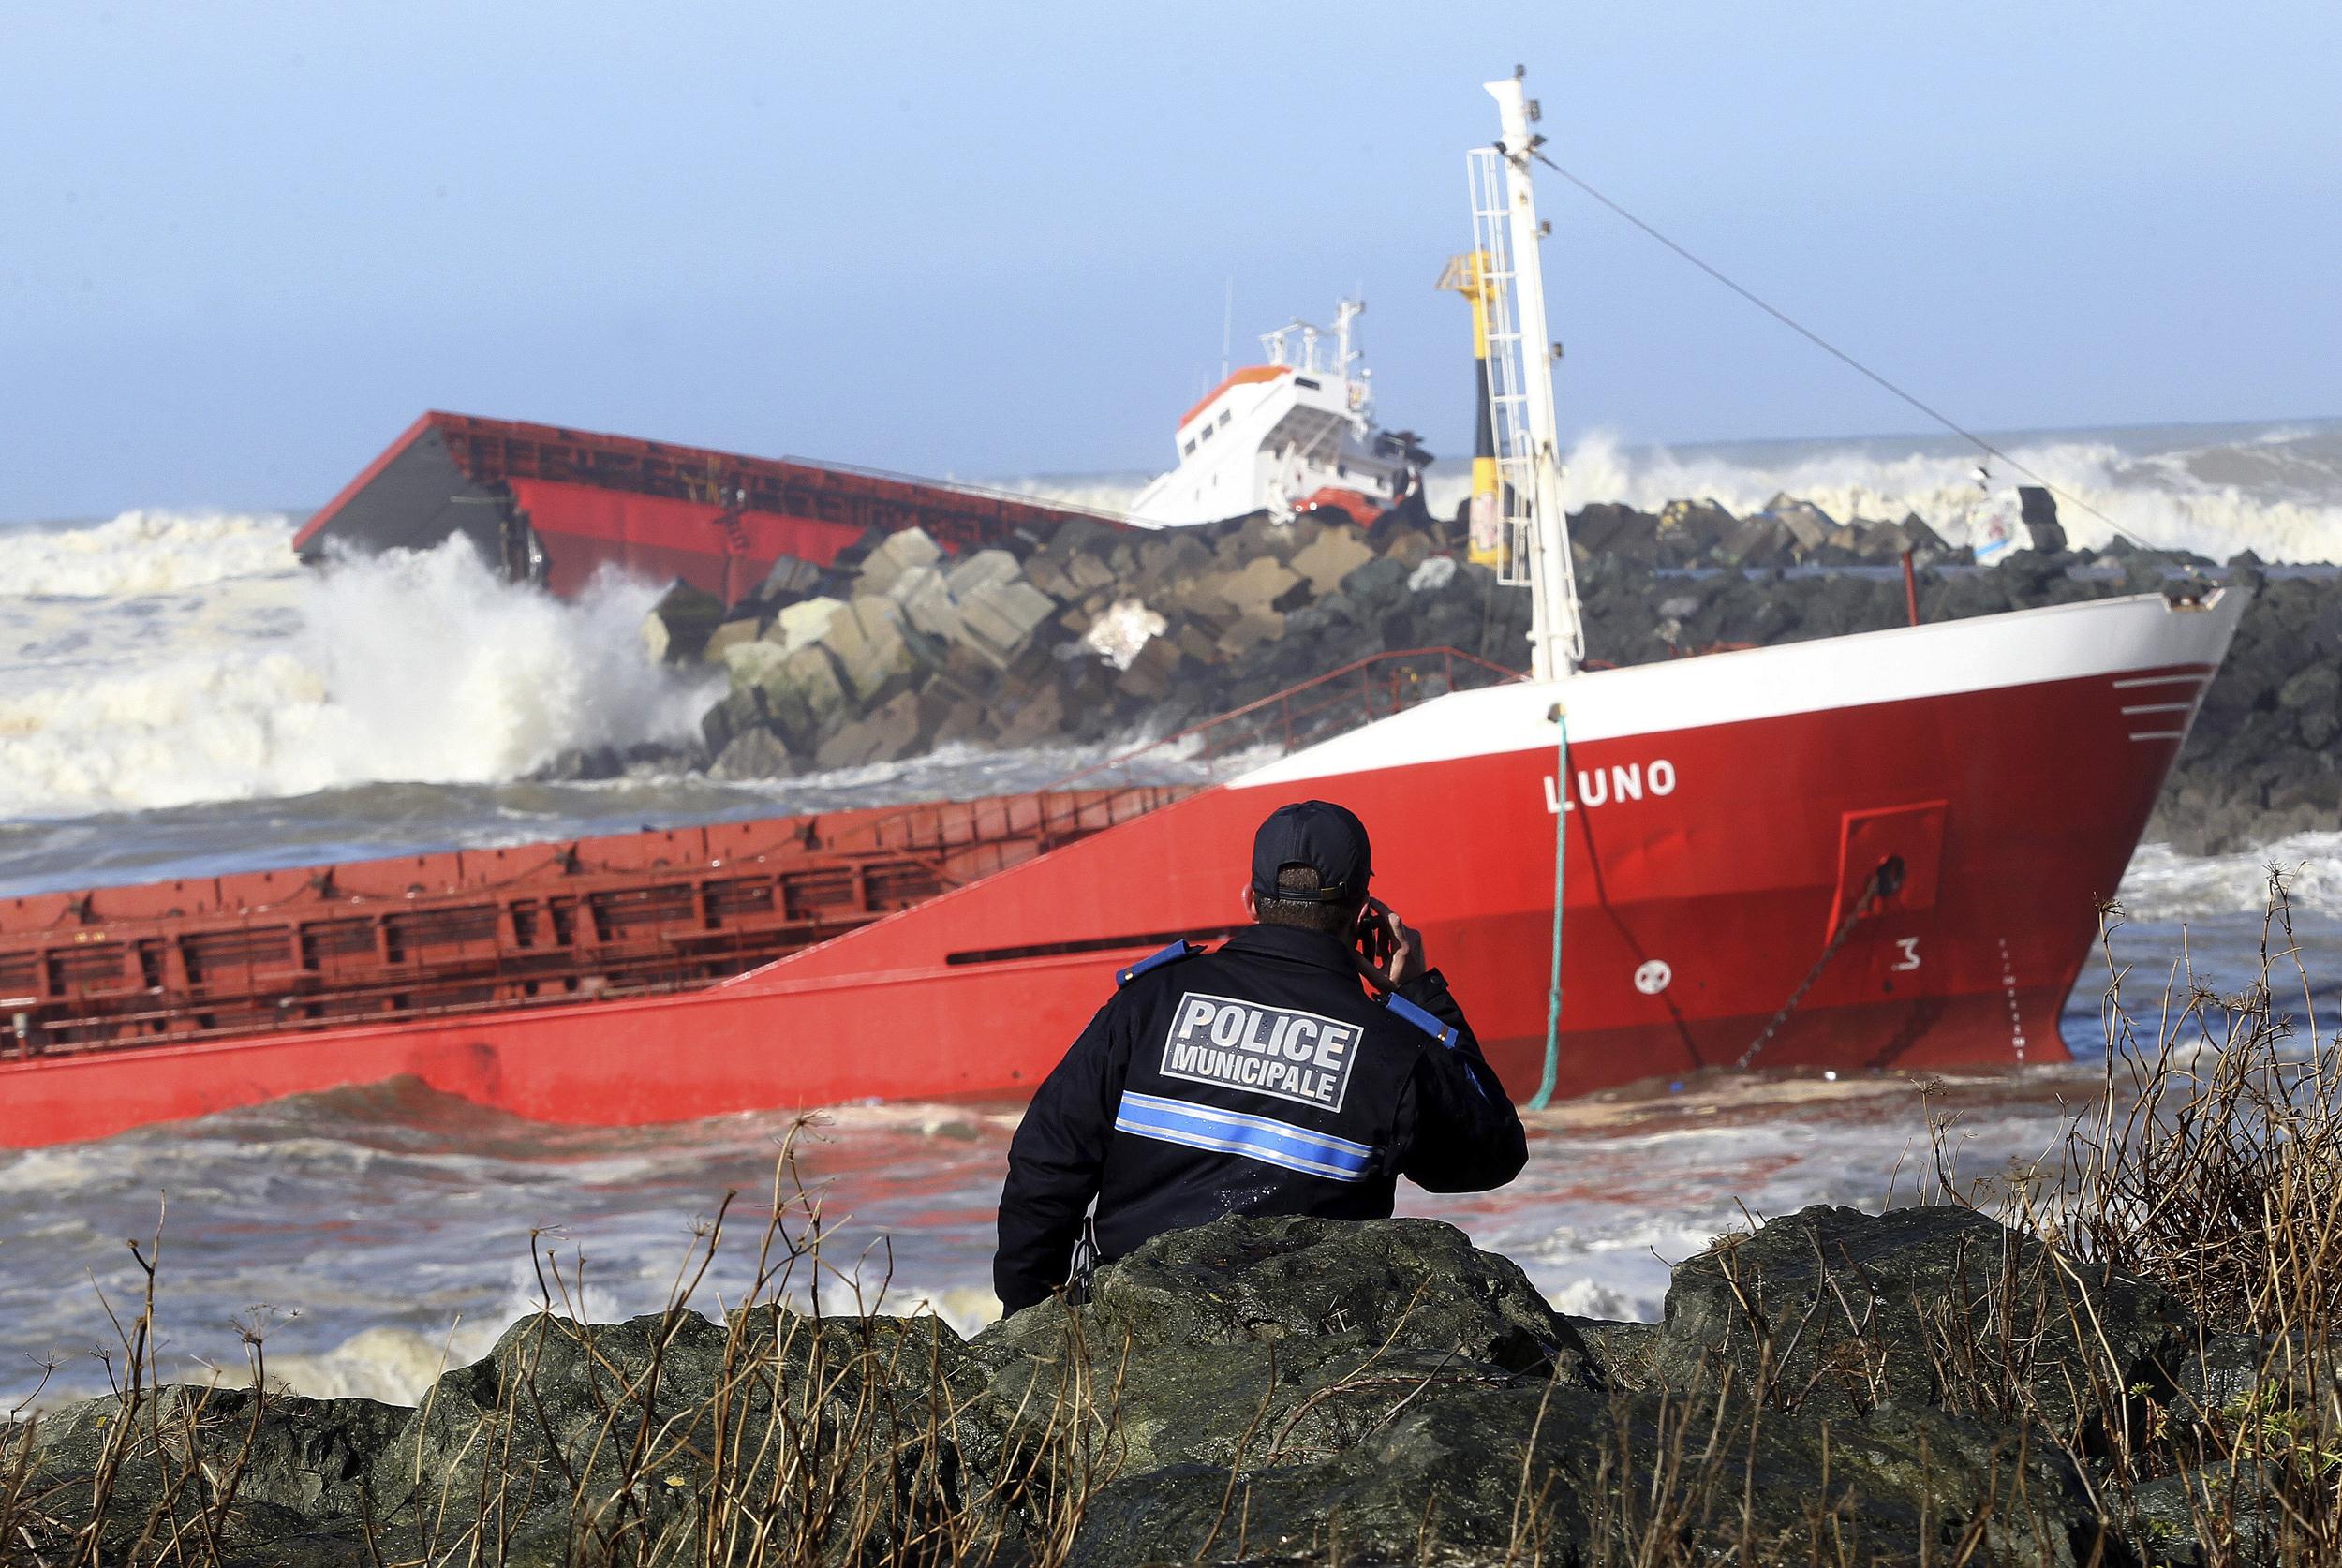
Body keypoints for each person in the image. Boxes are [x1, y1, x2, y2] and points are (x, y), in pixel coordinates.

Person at [993, 799, 1526, 1315]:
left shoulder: (1149, 1001)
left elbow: (1046, 1161)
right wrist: (1417, 996)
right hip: (1309, 1355)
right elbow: (1490, 1157)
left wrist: (1029, 1320)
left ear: (1251, 900)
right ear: (1366, 913)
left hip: (1133, 1332)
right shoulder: (1394, 1046)